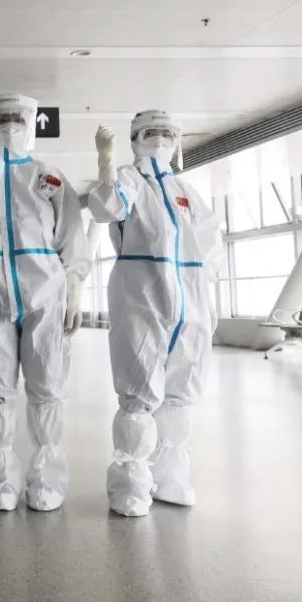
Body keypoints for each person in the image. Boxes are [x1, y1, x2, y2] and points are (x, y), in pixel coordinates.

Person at [0, 94, 89, 511]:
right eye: (1, 117)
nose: (10, 124)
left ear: (31, 121)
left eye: (18, 117)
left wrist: (74, 288)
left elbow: (72, 232)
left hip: (44, 284)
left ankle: (47, 480)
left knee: (47, 386)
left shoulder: (48, 175)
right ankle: (0, 481)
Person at [87, 110, 222, 517]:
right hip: (142, 297)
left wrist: (207, 300)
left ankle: (171, 478)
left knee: (180, 392)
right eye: (151, 133)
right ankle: (130, 484)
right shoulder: (129, 180)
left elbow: (210, 247)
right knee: (139, 390)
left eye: (167, 133)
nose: (160, 139)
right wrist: (105, 161)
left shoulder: (187, 192)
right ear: (135, 138)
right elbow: (107, 208)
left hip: (190, 301)